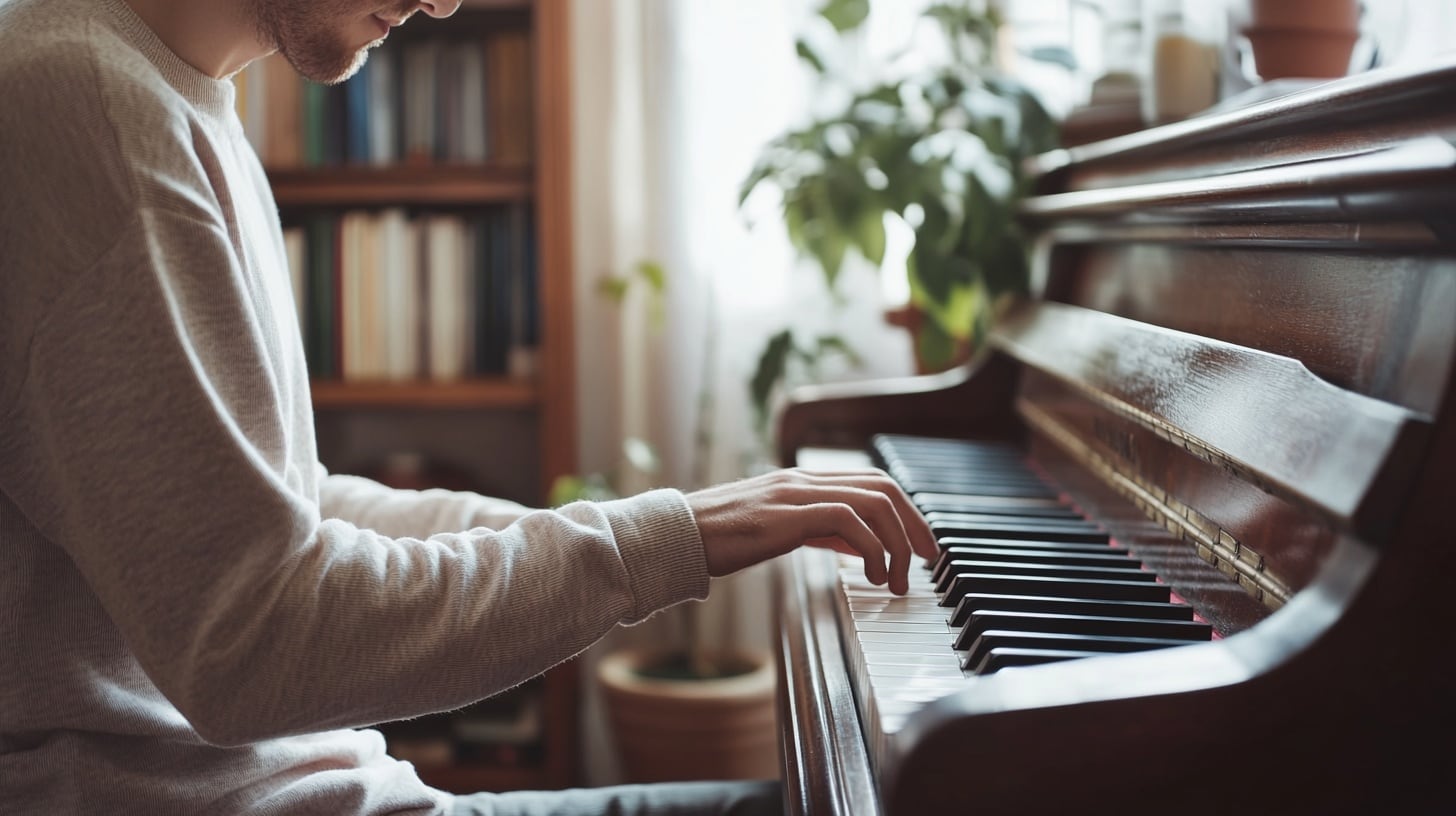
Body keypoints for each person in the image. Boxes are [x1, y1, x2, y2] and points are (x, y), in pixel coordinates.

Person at [0, 0, 939, 813]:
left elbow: (285, 508)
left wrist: (635, 532)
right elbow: (255, 646)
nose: (445, 6)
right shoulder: (91, 114)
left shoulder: (161, 90)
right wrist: (662, 541)